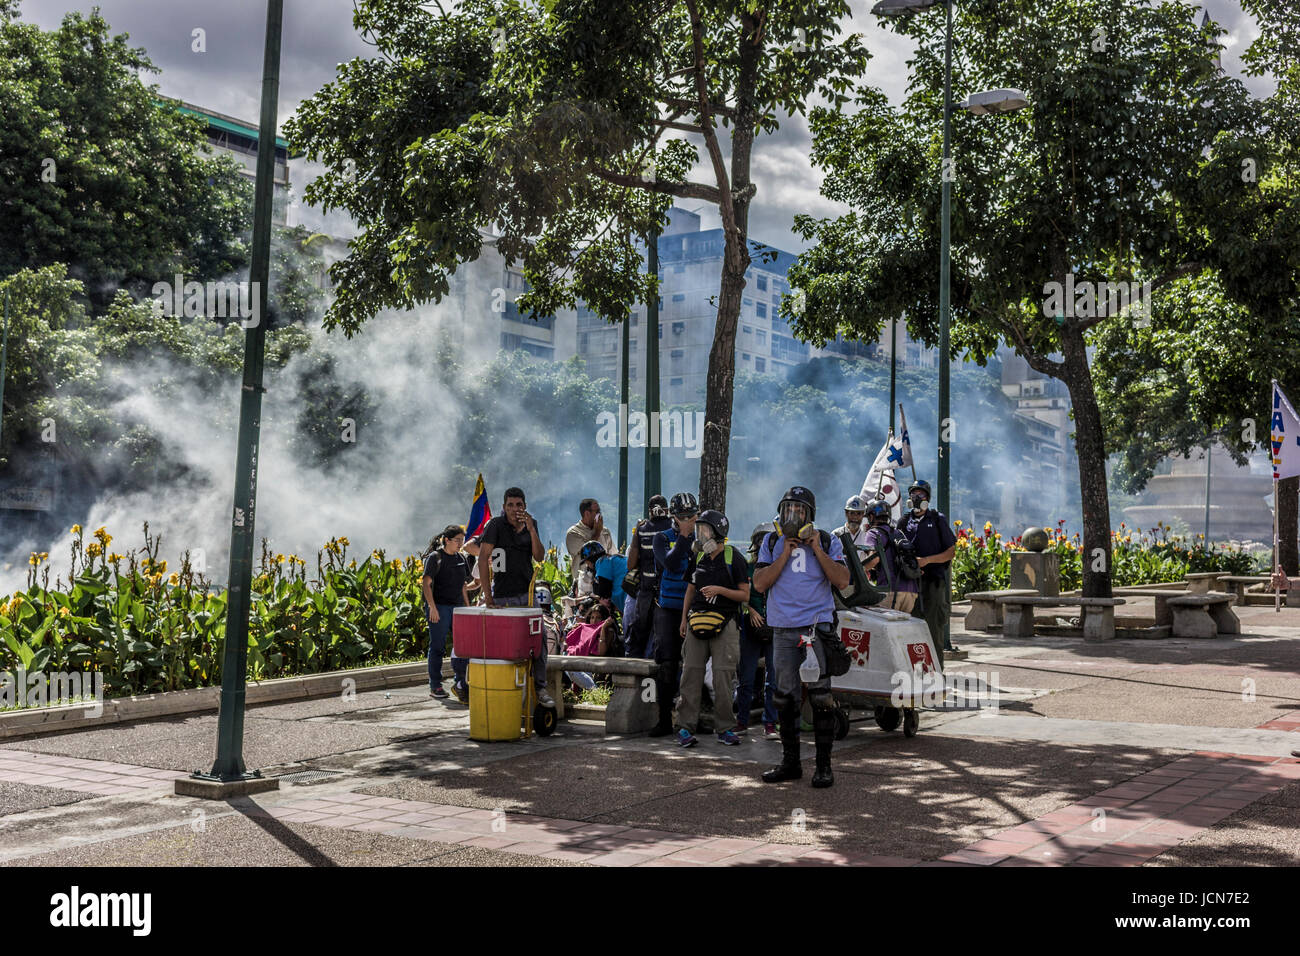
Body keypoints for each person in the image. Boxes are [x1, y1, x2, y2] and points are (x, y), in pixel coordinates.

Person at [751, 486, 850, 788]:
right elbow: (759, 584)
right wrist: (784, 552)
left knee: (821, 696)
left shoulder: (828, 540)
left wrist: (817, 548)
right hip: (782, 628)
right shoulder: (771, 541)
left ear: (810, 515)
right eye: (787, 510)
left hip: (815, 626)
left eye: (799, 511)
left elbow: (843, 580)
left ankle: (823, 766)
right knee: (784, 697)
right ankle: (790, 763)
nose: (792, 516)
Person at [673, 509, 749, 748]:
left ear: (718, 532)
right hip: (697, 621)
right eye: (699, 530)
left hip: (725, 623)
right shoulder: (698, 558)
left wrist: (719, 590)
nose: (700, 534)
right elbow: (690, 590)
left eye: (705, 530)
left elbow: (744, 595)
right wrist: (684, 619)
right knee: (690, 674)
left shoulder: (733, 558)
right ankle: (685, 728)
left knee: (722, 676)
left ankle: (725, 728)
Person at [478, 486, 554, 706]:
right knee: (505, 647)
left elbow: (539, 557)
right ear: (504, 507)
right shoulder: (496, 525)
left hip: (528, 595)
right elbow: (483, 558)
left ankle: (540, 688)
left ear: (525, 507)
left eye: (518, 505)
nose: (514, 509)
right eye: (510, 505)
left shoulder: (532, 524)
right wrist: (488, 597)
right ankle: (504, 693)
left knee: (538, 640)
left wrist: (531, 530)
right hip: (502, 597)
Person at [648, 492, 698, 736]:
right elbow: (669, 563)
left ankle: (693, 717)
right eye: (682, 516)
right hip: (668, 607)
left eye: (691, 516)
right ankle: (664, 719)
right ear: (674, 517)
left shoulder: (703, 538)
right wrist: (684, 538)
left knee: (694, 664)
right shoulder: (662, 538)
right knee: (667, 664)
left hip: (695, 608)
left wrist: (693, 538)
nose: (688, 520)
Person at [898, 479, 957, 664]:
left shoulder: (937, 519)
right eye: (913, 494)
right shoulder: (904, 521)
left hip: (933, 582)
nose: (916, 498)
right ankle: (915, 671)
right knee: (910, 630)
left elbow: (951, 552)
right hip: (910, 583)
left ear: (927, 498)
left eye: (920, 495)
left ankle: (937, 672)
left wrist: (926, 561)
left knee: (933, 630)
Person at [735, 523, 779, 739]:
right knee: (747, 676)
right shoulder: (746, 568)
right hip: (750, 626)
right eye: (760, 539)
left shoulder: (780, 568)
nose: (763, 544)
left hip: (774, 626)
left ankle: (770, 722)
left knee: (773, 677)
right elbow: (739, 594)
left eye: (768, 540)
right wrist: (750, 610)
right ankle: (741, 721)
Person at [420, 525, 472, 699]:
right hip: (439, 607)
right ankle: (435, 685)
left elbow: (464, 586)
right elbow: (426, 584)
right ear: (447, 540)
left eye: (462, 540)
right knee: (437, 647)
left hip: (457, 607)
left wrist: (467, 607)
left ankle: (460, 682)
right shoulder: (436, 558)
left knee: (462, 646)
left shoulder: (461, 558)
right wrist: (432, 607)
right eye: (457, 540)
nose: (460, 544)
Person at [624, 495, 671, 657]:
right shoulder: (673, 528)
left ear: (650, 511)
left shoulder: (642, 530)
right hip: (668, 592)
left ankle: (634, 667)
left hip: (645, 591)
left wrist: (637, 533)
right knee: (663, 634)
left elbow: (630, 564)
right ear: (666, 509)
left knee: (639, 631)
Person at [861, 500, 919, 613]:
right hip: (911, 590)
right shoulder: (899, 533)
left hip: (890, 590)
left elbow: (874, 559)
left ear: (871, 516)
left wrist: (860, 570)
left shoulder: (873, 533)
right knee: (903, 628)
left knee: (887, 628)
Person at [448, 534, 482, 703]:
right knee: (466, 641)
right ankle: (461, 681)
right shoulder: (484, 559)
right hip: (485, 606)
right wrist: (464, 589)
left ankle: (463, 683)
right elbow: (477, 583)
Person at [562, 602, 615, 692]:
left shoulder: (608, 631)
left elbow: (601, 652)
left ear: (604, 619)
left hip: (594, 670)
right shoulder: (585, 628)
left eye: (598, 618)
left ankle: (595, 692)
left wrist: (602, 629)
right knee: (562, 663)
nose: (594, 621)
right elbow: (567, 646)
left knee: (570, 668)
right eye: (592, 617)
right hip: (581, 666)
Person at [565, 498, 615, 565]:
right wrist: (597, 533)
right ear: (587, 514)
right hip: (584, 575)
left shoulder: (605, 531)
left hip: (604, 574)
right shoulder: (573, 533)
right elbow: (588, 552)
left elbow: (614, 554)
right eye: (597, 512)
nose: (599, 515)